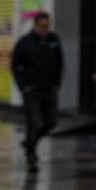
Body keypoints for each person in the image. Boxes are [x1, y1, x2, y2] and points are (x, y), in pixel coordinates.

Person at [11, 11, 64, 171]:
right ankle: (31, 154)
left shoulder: (54, 40)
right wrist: (23, 87)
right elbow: (16, 66)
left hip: (49, 89)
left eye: (47, 26)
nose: (45, 29)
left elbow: (59, 63)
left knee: (51, 122)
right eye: (42, 26)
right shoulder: (25, 43)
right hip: (32, 90)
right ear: (35, 25)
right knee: (35, 122)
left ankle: (29, 143)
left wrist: (56, 84)